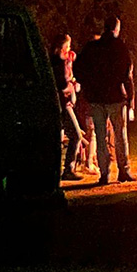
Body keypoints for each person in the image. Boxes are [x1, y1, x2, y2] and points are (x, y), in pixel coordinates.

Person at [74, 16, 136, 186]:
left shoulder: (92, 47)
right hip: (115, 97)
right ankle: (123, 170)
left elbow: (78, 68)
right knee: (120, 135)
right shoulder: (120, 47)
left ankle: (104, 173)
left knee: (101, 137)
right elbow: (127, 74)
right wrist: (130, 97)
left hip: (96, 98)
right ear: (116, 29)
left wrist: (87, 85)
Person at [50, 33, 84, 182]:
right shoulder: (58, 63)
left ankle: (59, 169)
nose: (69, 49)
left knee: (61, 137)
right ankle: (68, 169)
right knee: (75, 134)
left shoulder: (58, 62)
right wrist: (71, 86)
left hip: (64, 103)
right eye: (68, 46)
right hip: (63, 104)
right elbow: (62, 84)